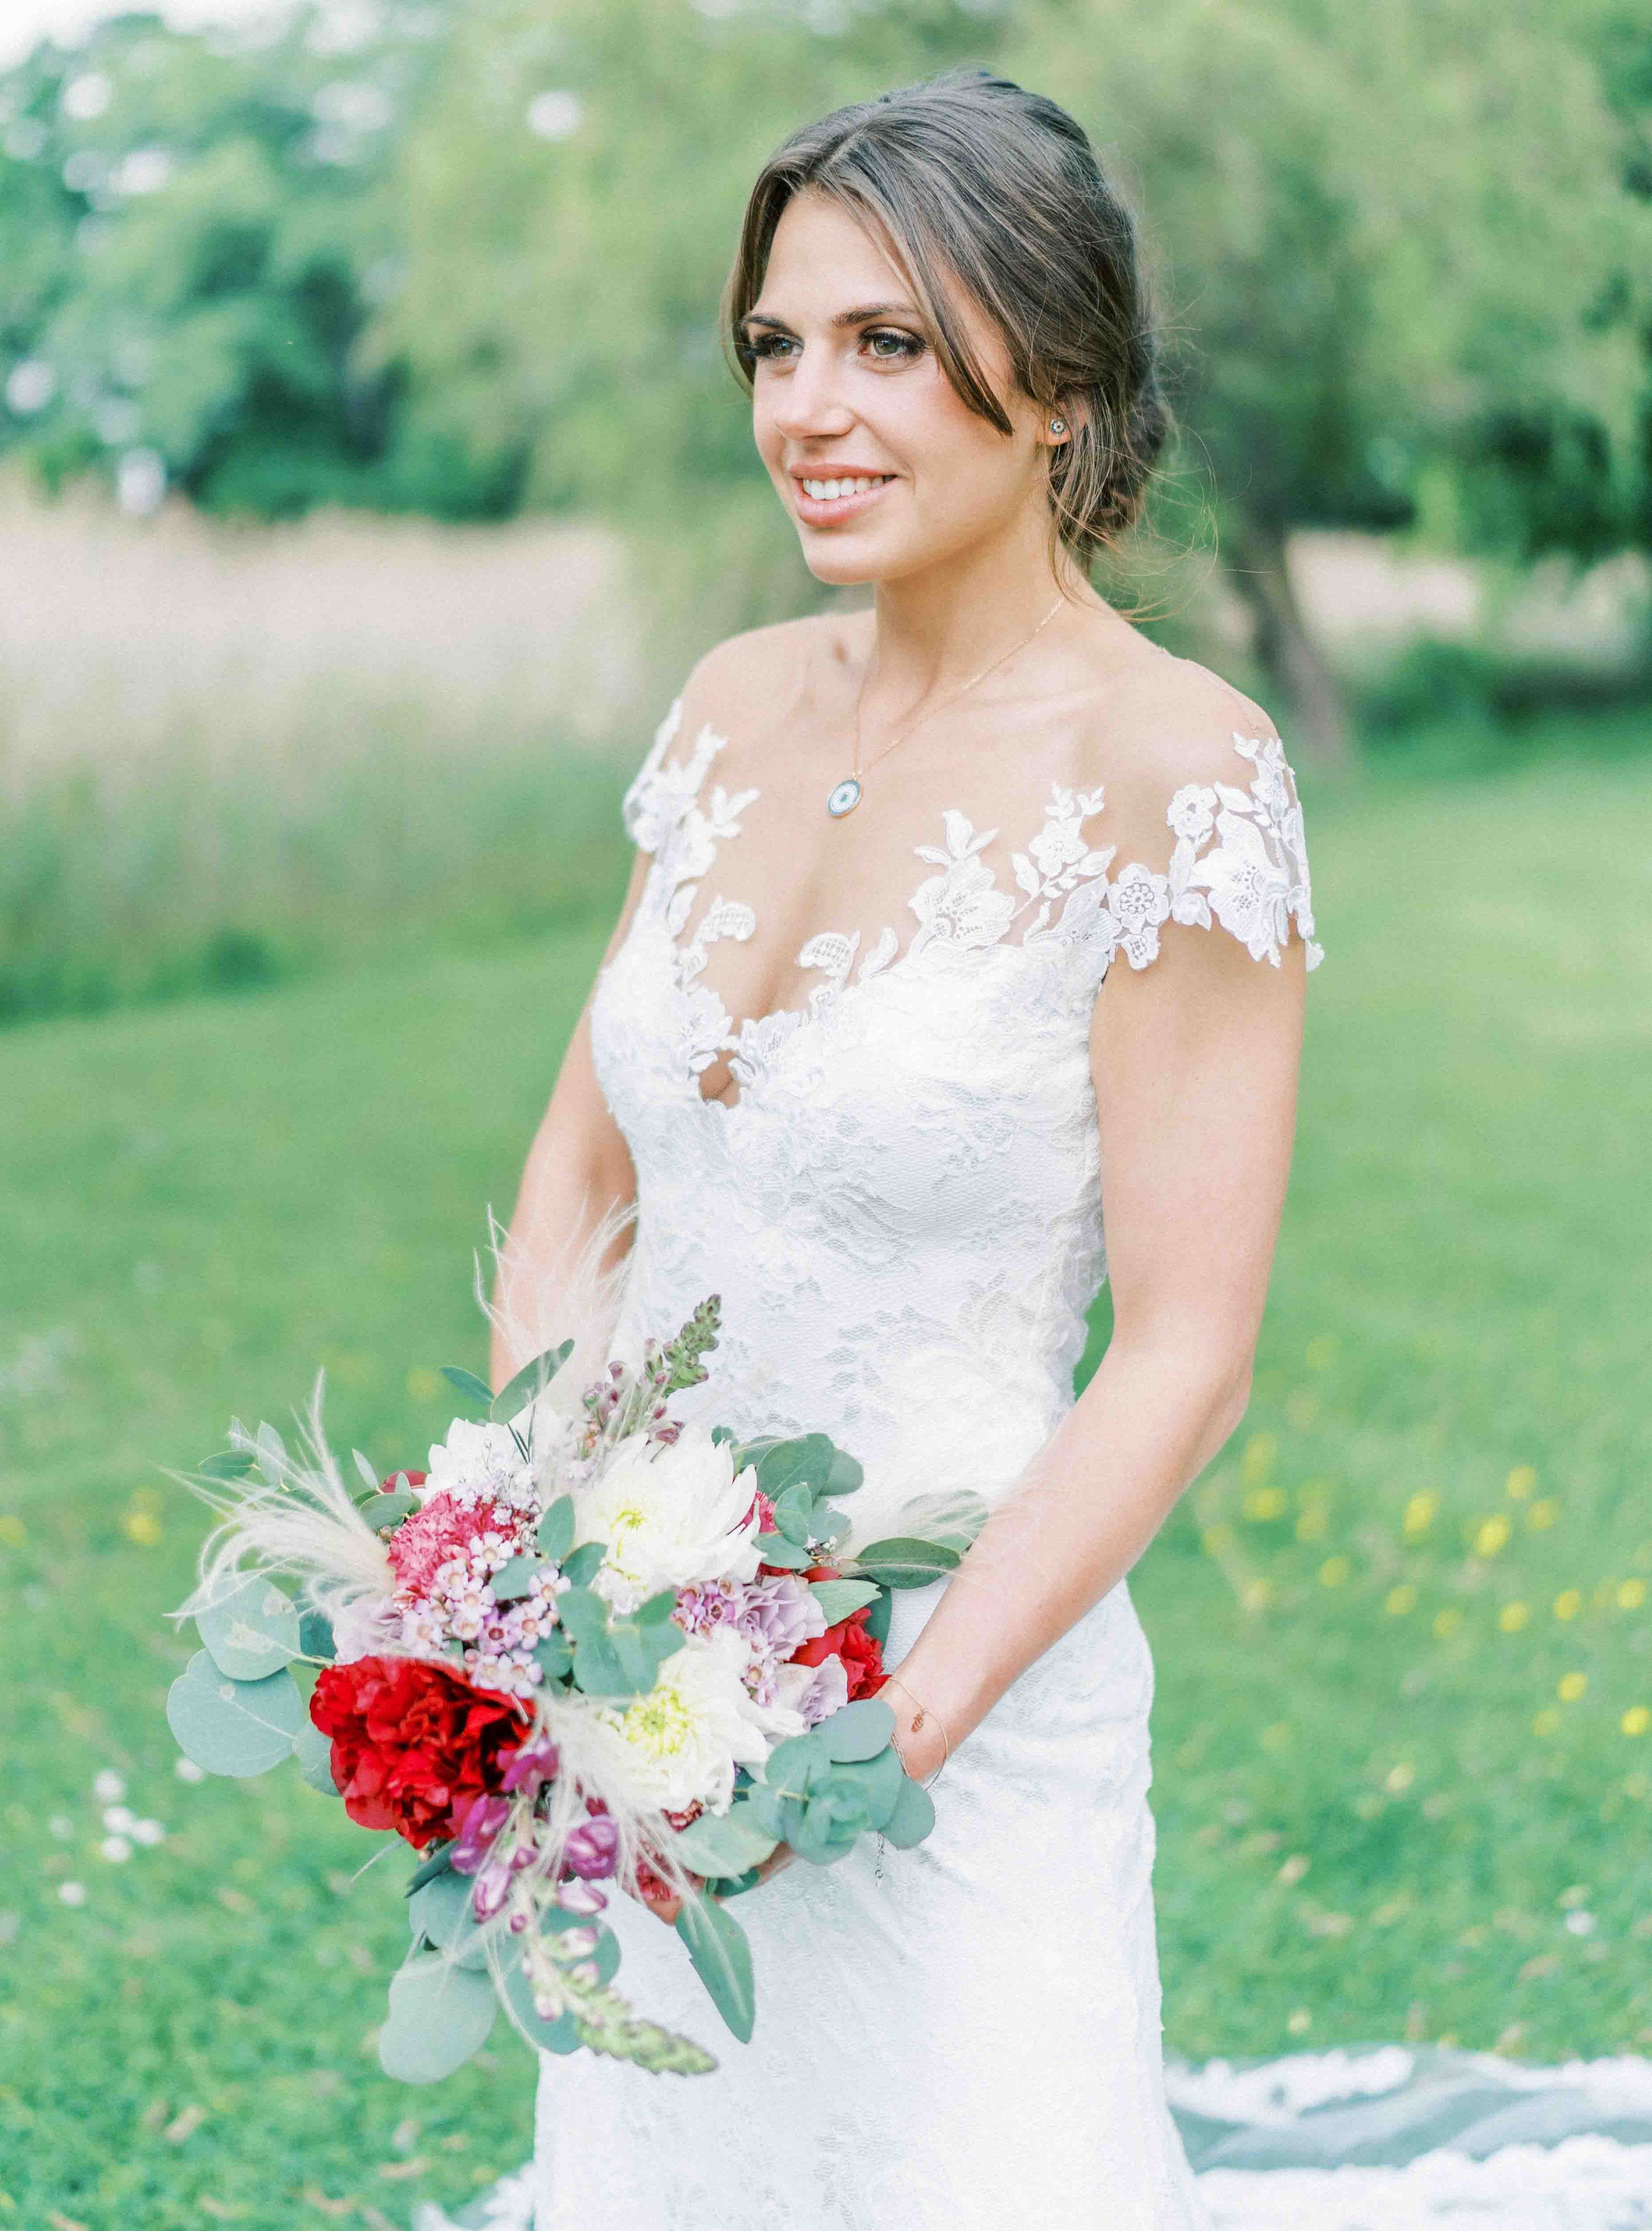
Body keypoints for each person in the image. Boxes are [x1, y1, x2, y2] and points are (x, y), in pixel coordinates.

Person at [488, 67, 1317, 2230]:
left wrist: (880, 1733)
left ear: (1053, 379)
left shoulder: (1176, 773)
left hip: (964, 1709)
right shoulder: (730, 703)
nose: (808, 409)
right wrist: (528, 1587)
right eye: (778, 344)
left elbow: (1187, 1349)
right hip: (642, 1713)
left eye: (886, 342)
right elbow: (583, 1180)